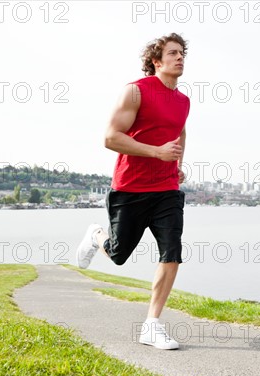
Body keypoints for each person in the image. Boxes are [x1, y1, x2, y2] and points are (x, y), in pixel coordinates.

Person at [75, 33, 190, 350]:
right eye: (172, 53)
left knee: (172, 252)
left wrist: (178, 162)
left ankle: (152, 325)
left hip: (167, 189)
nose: (180, 58)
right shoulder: (136, 92)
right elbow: (111, 138)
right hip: (131, 188)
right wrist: (156, 153)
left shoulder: (183, 101)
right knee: (118, 254)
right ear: (157, 61)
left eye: (182, 53)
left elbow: (179, 131)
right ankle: (97, 235)